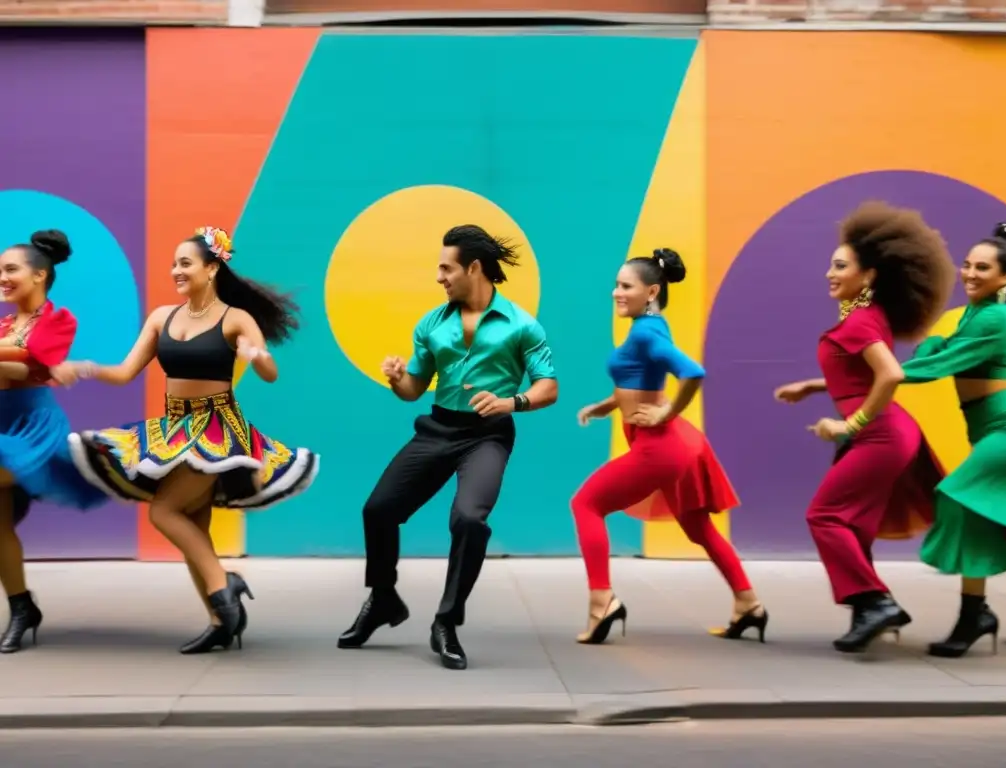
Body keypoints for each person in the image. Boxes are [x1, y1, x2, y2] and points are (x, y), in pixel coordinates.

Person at [52, 226, 319, 654]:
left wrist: (258, 356)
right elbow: (124, 373)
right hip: (174, 429)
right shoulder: (162, 318)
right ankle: (220, 621)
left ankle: (224, 586)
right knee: (193, 525)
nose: (175, 270)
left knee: (164, 511)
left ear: (211, 268)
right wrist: (83, 366)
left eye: (185, 263)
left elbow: (270, 375)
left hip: (216, 431)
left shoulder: (235, 318)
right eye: (174, 263)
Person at [336, 224, 558, 670]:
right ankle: (382, 599)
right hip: (437, 429)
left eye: (446, 268)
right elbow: (415, 388)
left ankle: (446, 622)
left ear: (473, 268)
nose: (439, 277)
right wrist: (398, 378)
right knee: (377, 510)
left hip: (488, 435)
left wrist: (509, 402)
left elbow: (548, 388)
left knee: (470, 520)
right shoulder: (431, 324)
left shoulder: (520, 325)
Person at [774, 201, 952, 653]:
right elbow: (863, 374)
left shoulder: (858, 321)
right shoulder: (866, 316)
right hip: (888, 432)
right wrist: (815, 386)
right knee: (854, 526)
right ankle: (868, 614)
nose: (829, 274)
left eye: (840, 266)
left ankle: (875, 602)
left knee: (826, 516)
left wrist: (847, 423)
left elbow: (890, 374)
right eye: (830, 266)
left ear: (869, 275)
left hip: (880, 434)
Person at [571, 248, 765, 645]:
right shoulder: (653, 325)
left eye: (625, 286)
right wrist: (608, 405)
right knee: (698, 528)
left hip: (659, 446)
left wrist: (665, 413)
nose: (615, 293)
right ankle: (749, 604)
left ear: (652, 290)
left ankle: (601, 602)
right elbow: (642, 378)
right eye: (616, 285)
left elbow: (692, 372)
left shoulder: (644, 331)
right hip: (676, 444)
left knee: (586, 504)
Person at [900, 223, 1006, 658]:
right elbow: (930, 354)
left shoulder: (994, 317)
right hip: (989, 430)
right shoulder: (976, 312)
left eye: (983, 267)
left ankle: (974, 615)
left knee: (958, 499)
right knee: (1001, 523)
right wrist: (936, 337)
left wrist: (877, 378)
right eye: (968, 265)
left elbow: (931, 366)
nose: (970, 273)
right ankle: (977, 614)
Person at [0, 230, 107, 653]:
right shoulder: (5, 323)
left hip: (31, 428)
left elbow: (32, 366)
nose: (2, 278)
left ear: (39, 275)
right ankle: (22, 607)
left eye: (10, 270)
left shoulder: (58, 320)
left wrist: (16, 359)